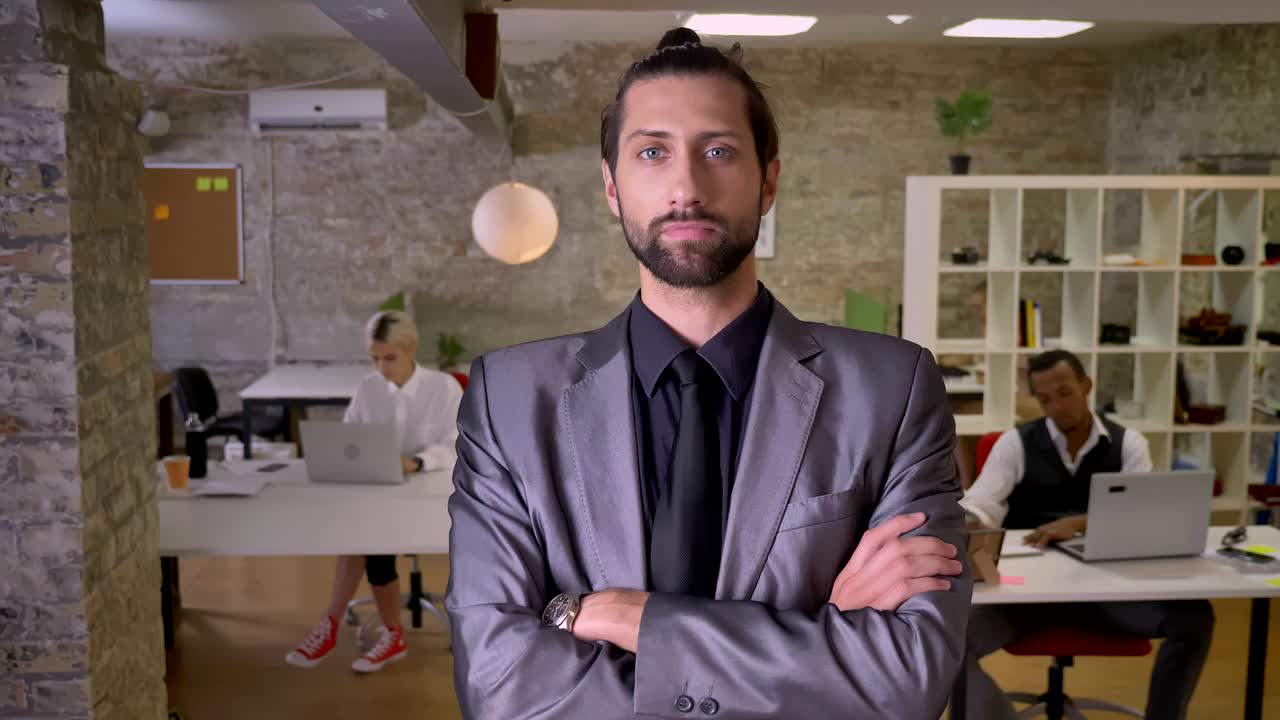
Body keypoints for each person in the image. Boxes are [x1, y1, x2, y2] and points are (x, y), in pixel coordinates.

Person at [446, 28, 970, 719]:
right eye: (652, 152)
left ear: (769, 181)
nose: (686, 186)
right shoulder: (509, 399)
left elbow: (905, 681)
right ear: (611, 186)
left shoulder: (892, 389)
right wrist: (820, 634)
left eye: (718, 151)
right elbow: (500, 685)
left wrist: (634, 622)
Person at [959, 349, 1215, 720]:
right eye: (1044, 399)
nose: (1056, 407)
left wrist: (1078, 523)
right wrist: (968, 520)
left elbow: (1142, 514)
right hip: (1028, 595)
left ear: (1086, 386)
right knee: (945, 640)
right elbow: (982, 504)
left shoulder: (1129, 444)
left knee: (1194, 620)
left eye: (1064, 393)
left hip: (1109, 590)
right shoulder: (1015, 444)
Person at [286, 311, 463, 673]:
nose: (381, 367)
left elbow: (457, 445)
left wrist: (415, 461)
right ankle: (379, 632)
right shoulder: (368, 389)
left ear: (411, 349)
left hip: (429, 497)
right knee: (363, 534)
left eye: (389, 358)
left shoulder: (443, 388)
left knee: (366, 538)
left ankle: (335, 625)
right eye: (374, 358)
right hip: (379, 492)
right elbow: (350, 438)